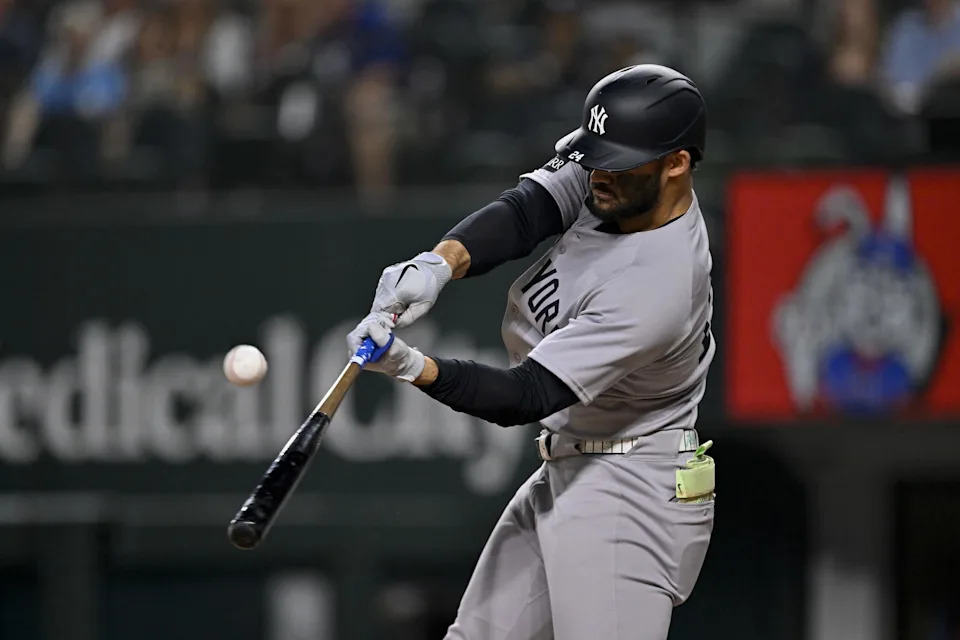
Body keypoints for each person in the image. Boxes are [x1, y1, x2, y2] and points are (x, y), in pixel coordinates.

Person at [347, 64, 717, 640]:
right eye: (595, 155)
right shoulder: (619, 184)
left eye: (618, 161)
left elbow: (526, 395)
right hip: (576, 464)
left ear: (676, 164)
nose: (598, 172)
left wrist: (411, 366)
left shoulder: (660, 284)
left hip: (630, 490)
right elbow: (526, 211)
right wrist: (439, 264)